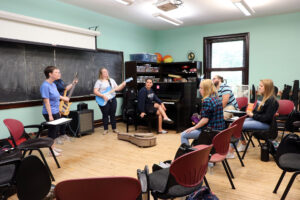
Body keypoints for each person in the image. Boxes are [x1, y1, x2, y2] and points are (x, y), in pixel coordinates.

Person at [237, 79, 279, 153]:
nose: (259, 87)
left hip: (266, 124)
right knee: (236, 123)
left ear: (267, 88)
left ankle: (231, 150)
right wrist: (250, 113)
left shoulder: (272, 101)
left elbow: (266, 118)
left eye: (261, 86)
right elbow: (259, 113)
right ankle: (243, 143)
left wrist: (253, 115)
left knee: (237, 126)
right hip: (260, 120)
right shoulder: (263, 98)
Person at [180, 79, 225, 145]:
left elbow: (205, 120)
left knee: (183, 135)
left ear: (206, 89)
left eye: (201, 88)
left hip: (209, 132)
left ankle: (188, 154)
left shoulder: (207, 100)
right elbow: (211, 116)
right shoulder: (217, 98)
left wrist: (194, 127)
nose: (199, 90)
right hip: (219, 130)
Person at [40, 66, 70, 156]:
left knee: (55, 130)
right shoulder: (45, 86)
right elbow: (46, 101)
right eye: (56, 72)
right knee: (52, 131)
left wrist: (63, 98)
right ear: (50, 74)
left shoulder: (53, 84)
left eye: (59, 72)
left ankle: (53, 147)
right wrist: (50, 115)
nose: (59, 74)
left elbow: (56, 96)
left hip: (56, 111)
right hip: (49, 112)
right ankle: (51, 151)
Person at [94, 67, 126, 135]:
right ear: (101, 74)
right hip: (103, 100)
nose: (106, 73)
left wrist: (123, 85)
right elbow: (95, 91)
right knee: (105, 114)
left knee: (112, 114)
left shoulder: (111, 80)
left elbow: (117, 89)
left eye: (107, 71)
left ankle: (114, 128)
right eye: (104, 72)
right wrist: (103, 96)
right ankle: (105, 129)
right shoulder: (99, 81)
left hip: (112, 99)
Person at [53, 74, 78, 144]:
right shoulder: (52, 83)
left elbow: (66, 89)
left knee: (63, 118)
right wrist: (63, 98)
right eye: (57, 73)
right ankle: (56, 137)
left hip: (63, 101)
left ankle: (63, 134)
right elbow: (55, 94)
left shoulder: (60, 81)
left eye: (59, 72)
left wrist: (73, 84)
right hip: (58, 102)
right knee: (57, 120)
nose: (59, 74)